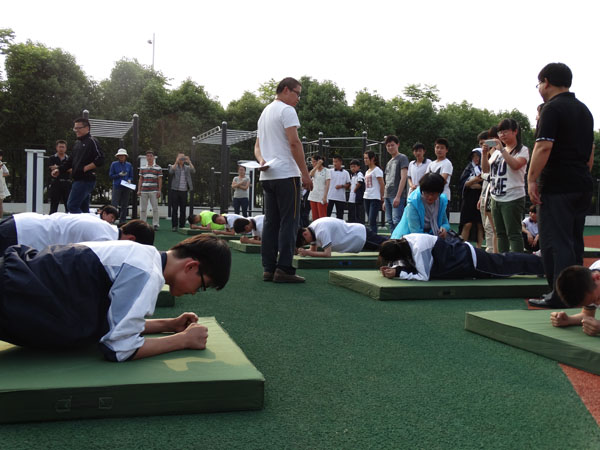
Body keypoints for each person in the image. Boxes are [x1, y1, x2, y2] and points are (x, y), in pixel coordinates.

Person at [0, 234, 231, 362]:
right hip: (13, 295)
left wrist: (168, 325)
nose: (195, 292)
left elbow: (111, 322)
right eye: (203, 286)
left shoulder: (140, 253)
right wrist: (183, 341)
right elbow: (119, 348)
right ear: (191, 267)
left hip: (17, 281)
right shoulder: (146, 273)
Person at [527, 63, 595, 309]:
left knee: (556, 243)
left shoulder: (552, 108)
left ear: (546, 81)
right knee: (575, 242)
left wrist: (532, 179)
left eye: (539, 84)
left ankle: (559, 295)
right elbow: (590, 152)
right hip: (581, 184)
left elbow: (544, 146)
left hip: (557, 186)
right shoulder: (584, 110)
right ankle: (578, 295)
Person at [254, 77, 313, 283]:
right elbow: (294, 143)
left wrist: (261, 160)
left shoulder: (264, 113)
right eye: (297, 93)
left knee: (271, 222)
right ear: (286, 90)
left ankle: (269, 268)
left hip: (268, 174)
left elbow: (257, 146)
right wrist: (305, 174)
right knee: (290, 222)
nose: (298, 99)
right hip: (287, 174)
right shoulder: (286, 110)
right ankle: (284, 268)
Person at [378, 233, 544, 281]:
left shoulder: (418, 250)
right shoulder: (406, 240)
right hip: (465, 256)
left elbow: (423, 276)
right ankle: (540, 262)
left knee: (506, 266)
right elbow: (409, 263)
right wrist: (396, 268)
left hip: (471, 262)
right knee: (505, 261)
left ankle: (543, 264)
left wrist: (398, 272)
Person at [481, 119, 529, 253]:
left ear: (515, 131)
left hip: (513, 197)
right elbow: (485, 170)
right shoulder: (496, 152)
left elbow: (515, 165)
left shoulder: (522, 150)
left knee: (514, 233)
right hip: (496, 197)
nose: (502, 135)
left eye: (505, 131)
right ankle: (503, 261)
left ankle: (517, 261)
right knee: (500, 233)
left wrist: (502, 150)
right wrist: (484, 154)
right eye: (500, 132)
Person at [0, 212, 155, 253]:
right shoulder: (103, 241)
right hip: (22, 235)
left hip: (22, 222)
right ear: (131, 239)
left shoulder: (103, 225)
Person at [391, 173, 450, 240]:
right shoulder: (413, 202)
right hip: (409, 238)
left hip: (432, 237)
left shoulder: (441, 201)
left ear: (439, 192)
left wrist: (444, 229)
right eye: (427, 193)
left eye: (433, 194)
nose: (430, 197)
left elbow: (445, 223)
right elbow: (416, 232)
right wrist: (433, 240)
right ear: (422, 191)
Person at [65, 118, 105, 214]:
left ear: (87, 128)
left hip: (86, 179)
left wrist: (85, 168)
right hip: (77, 179)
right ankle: (86, 222)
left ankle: (81, 223)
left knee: (72, 206)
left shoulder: (92, 141)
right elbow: (70, 161)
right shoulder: (77, 143)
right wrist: (59, 169)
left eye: (79, 128)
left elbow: (100, 158)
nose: (76, 130)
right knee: (83, 208)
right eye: (75, 128)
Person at [296, 217, 388, 257]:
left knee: (386, 246)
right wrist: (302, 251)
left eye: (305, 242)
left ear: (305, 234)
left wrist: (307, 252)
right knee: (384, 244)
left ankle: (398, 241)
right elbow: (313, 250)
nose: (308, 243)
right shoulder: (312, 228)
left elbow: (327, 254)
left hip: (359, 236)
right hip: (357, 236)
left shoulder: (321, 231)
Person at [477, 130, 498, 253]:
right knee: (486, 227)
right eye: (481, 144)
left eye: (485, 143)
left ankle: (492, 253)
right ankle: (491, 252)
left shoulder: (498, 154)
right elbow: (485, 177)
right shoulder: (485, 157)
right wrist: (481, 197)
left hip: (495, 196)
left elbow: (489, 176)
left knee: (491, 227)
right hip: (485, 195)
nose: (483, 146)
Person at [383, 135, 409, 232]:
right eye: (388, 146)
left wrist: (398, 196)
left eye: (392, 145)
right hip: (387, 195)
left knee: (397, 221)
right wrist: (384, 198)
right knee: (390, 221)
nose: (390, 147)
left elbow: (404, 177)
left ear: (398, 145)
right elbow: (386, 180)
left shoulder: (402, 158)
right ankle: (393, 239)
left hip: (397, 195)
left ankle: (399, 239)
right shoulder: (389, 162)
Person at [458, 149, 484, 247]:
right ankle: (463, 247)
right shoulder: (468, 168)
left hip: (480, 198)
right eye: (474, 156)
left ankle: (479, 248)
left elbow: (485, 183)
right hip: (468, 199)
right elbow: (463, 183)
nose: (476, 158)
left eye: (478, 156)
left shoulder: (485, 167)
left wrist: (474, 184)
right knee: (467, 223)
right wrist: (475, 180)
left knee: (480, 224)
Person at [169, 153, 195, 231]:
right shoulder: (174, 166)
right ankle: (174, 226)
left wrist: (189, 162)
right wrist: (176, 162)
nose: (181, 159)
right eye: (180, 157)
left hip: (184, 191)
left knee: (183, 209)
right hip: (175, 190)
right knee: (174, 209)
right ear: (177, 158)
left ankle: (182, 225)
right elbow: (171, 172)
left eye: (183, 158)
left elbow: (193, 171)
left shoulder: (187, 168)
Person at [137, 150, 163, 230]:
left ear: (153, 157)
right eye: (148, 156)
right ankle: (142, 224)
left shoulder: (158, 168)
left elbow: (160, 180)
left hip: (154, 190)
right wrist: (139, 190)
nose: (149, 157)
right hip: (143, 190)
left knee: (155, 208)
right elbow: (140, 179)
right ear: (146, 157)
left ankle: (155, 224)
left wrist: (159, 190)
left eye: (151, 156)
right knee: (143, 209)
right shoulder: (142, 167)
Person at [109, 148, 134, 224]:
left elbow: (131, 176)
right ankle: (112, 219)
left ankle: (122, 221)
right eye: (120, 156)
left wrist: (129, 180)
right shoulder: (114, 164)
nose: (121, 157)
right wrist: (118, 175)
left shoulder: (129, 165)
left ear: (125, 156)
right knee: (114, 204)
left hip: (126, 186)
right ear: (118, 156)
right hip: (117, 185)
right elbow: (111, 175)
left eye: (123, 155)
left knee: (125, 204)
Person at [425, 138, 453, 204]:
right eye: (437, 147)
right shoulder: (431, 164)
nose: (439, 150)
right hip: (430, 198)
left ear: (446, 150)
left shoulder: (447, 163)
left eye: (442, 148)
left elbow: (443, 181)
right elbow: (425, 179)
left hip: (442, 197)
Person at [363, 151, 384, 234]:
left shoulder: (377, 170)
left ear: (372, 159)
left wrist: (382, 196)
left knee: (372, 220)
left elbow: (382, 184)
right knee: (369, 220)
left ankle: (374, 237)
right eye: (364, 158)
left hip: (375, 197)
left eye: (366, 158)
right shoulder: (367, 171)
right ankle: (372, 236)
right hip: (366, 197)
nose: (365, 160)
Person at [48, 140, 71, 214]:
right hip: (56, 183)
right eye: (60, 147)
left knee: (68, 205)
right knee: (54, 205)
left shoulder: (69, 159)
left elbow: (72, 170)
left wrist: (58, 167)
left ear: (66, 148)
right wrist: (65, 169)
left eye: (63, 147)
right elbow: (52, 169)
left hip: (67, 183)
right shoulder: (52, 158)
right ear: (56, 147)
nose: (61, 149)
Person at [326, 155, 350, 219]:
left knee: (340, 216)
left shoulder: (346, 173)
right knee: (327, 214)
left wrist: (341, 186)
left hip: (340, 197)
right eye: (333, 162)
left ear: (341, 162)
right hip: (330, 196)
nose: (334, 163)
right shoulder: (329, 171)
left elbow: (348, 184)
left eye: (336, 161)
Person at [307, 154, 330, 220]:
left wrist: (325, 196)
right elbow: (310, 174)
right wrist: (317, 166)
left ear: (319, 161)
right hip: (313, 195)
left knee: (322, 216)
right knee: (315, 217)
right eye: (312, 161)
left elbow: (327, 184)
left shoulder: (326, 171)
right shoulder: (315, 170)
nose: (312, 163)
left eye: (314, 161)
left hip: (321, 196)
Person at [347, 159, 365, 224]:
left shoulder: (359, 174)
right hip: (351, 198)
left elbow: (360, 182)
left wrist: (355, 189)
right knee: (351, 213)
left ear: (358, 167)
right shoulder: (352, 175)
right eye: (351, 167)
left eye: (354, 166)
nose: (352, 168)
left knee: (357, 213)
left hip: (357, 197)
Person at [0, 150, 10, 218]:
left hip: (1, 186)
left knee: (0, 204)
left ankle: (0, 219)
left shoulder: (1, 164)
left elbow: (7, 173)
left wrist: (1, 175)